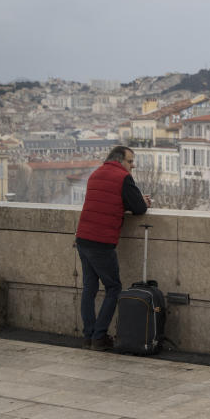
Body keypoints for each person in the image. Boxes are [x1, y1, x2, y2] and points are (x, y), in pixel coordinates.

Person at [75, 146, 151, 350]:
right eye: (130, 161)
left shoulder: (95, 174)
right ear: (119, 161)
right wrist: (142, 201)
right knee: (113, 287)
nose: (132, 166)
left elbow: (107, 202)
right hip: (101, 241)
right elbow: (139, 208)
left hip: (83, 238)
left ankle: (88, 335)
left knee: (89, 288)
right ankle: (99, 337)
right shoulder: (123, 177)